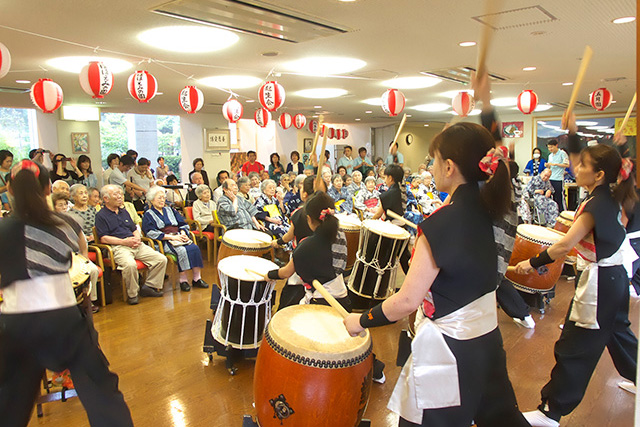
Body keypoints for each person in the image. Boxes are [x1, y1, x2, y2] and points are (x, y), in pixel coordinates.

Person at [344, 122, 529, 427]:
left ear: (449, 166)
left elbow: (406, 301)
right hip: (487, 342)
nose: (429, 167)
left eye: (433, 160)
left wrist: (360, 321)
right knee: (502, 419)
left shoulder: (440, 225)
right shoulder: (497, 208)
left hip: (449, 352)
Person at [0, 160, 133, 426]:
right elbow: (80, 258)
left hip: (16, 323)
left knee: (10, 403)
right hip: (64, 321)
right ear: (48, 188)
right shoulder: (66, 225)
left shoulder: (3, 231)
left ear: (9, 190)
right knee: (102, 394)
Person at [515, 144, 638, 427]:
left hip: (601, 284)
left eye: (582, 165)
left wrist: (531, 263)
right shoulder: (610, 195)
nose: (575, 167)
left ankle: (550, 412)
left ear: (599, 174)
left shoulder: (596, 204)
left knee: (575, 347)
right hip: (614, 278)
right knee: (619, 336)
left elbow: (563, 246)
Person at [266, 191, 351, 310]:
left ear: (309, 219)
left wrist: (268, 274)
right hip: (342, 298)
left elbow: (286, 273)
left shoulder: (306, 246)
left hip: (321, 302)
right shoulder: (340, 233)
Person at [95, 185, 167, 305]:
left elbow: (134, 228)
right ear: (106, 199)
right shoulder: (101, 215)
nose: (120, 197)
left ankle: (149, 286)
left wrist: (137, 237)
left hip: (135, 243)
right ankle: (132, 294)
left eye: (120, 194)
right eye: (116, 194)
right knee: (130, 265)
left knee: (161, 259)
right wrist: (124, 242)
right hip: (118, 246)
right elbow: (103, 238)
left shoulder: (124, 212)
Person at [142, 186, 208, 292]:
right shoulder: (148, 214)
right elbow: (150, 232)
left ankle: (197, 278)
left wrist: (182, 233)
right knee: (181, 250)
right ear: (152, 199)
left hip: (178, 236)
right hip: (163, 240)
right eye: (159, 198)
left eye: (163, 198)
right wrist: (172, 237)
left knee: (194, 248)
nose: (162, 200)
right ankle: (183, 280)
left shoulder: (170, 210)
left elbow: (182, 223)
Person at [372, 163, 409, 272]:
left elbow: (378, 214)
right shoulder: (402, 188)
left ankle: (383, 284)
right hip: (403, 227)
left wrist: (369, 222)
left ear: (390, 178)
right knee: (403, 256)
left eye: (385, 177)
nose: (384, 180)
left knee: (384, 258)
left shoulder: (388, 195)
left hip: (392, 230)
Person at [546, 140, 569, 211]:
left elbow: (567, 165)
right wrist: (547, 165)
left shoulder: (562, 153)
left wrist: (556, 164)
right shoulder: (550, 156)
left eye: (551, 147)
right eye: (549, 148)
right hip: (551, 178)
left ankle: (562, 212)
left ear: (556, 145)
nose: (550, 149)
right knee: (551, 197)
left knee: (559, 197)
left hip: (559, 179)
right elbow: (550, 167)